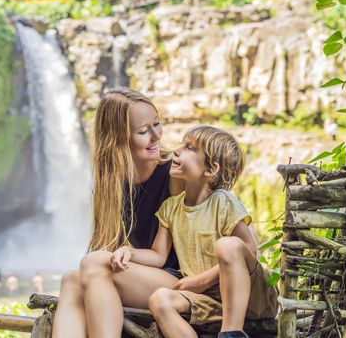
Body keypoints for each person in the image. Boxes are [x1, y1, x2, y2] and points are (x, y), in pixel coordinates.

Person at [53, 87, 208, 338]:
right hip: (146, 277)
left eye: (157, 124)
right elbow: (110, 247)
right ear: (118, 139)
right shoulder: (110, 183)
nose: (156, 136)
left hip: (182, 283)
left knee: (92, 262)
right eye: (143, 131)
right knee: (71, 280)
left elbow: (222, 223)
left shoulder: (175, 175)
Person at [110, 126, 278, 338]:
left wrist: (203, 280)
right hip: (211, 300)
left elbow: (249, 251)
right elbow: (158, 255)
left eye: (189, 148)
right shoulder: (171, 208)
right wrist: (129, 251)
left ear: (211, 169)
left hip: (254, 299)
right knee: (160, 299)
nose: (176, 151)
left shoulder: (223, 201)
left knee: (228, 245)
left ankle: (231, 333)